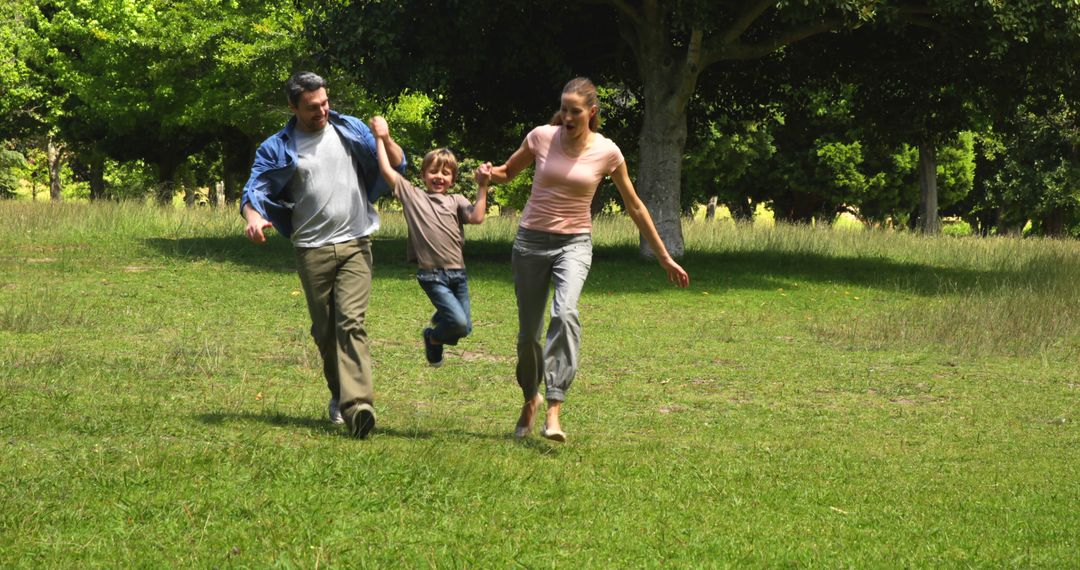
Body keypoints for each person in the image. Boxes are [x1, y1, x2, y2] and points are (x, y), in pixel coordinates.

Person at [487, 77, 690, 442]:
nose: (566, 116)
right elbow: (508, 171)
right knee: (528, 337)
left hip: (574, 244)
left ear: (591, 113)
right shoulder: (540, 137)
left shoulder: (607, 152)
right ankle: (529, 399)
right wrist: (488, 176)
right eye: (563, 109)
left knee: (564, 313)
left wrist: (664, 257)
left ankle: (554, 406)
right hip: (531, 241)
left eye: (574, 111)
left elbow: (635, 205)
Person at [240, 71, 406, 439]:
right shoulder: (276, 147)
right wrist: (253, 220)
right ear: (293, 107)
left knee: (351, 324)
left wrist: (386, 138)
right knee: (325, 332)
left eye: (326, 103)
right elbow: (254, 190)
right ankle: (340, 394)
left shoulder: (351, 129)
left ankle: (359, 405)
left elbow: (396, 163)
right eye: (313, 107)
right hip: (311, 249)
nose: (323, 111)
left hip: (355, 242)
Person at [369, 115, 491, 366]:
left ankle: (439, 328)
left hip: (459, 274)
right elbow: (386, 170)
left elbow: (477, 218)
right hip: (431, 275)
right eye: (433, 171)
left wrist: (483, 186)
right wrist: (381, 137)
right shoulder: (413, 196)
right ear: (423, 175)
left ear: (453, 179)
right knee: (456, 323)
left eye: (446, 173)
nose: (439, 177)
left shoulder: (456, 200)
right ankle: (433, 337)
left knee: (465, 328)